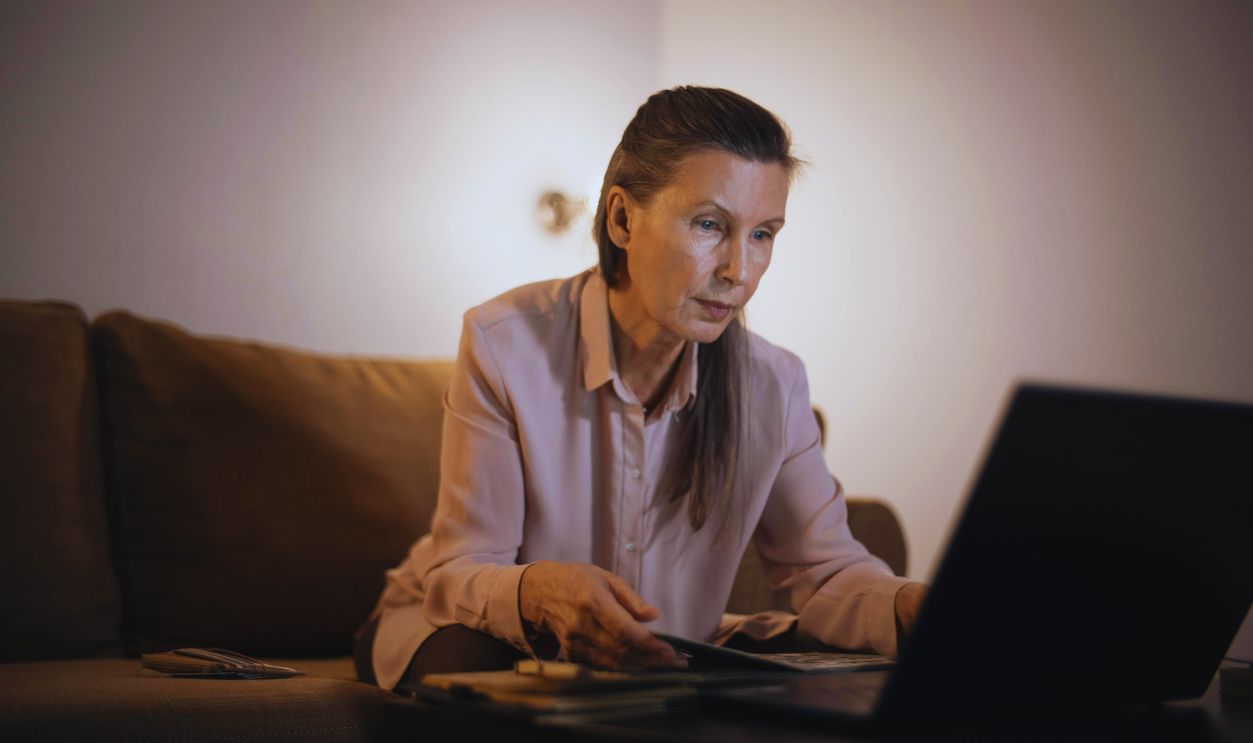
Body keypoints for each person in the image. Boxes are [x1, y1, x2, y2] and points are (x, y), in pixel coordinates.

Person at [354, 86, 928, 691]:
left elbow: (828, 572)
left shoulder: (773, 384)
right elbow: (460, 570)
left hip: (657, 656)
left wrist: (918, 606)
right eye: (710, 224)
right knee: (495, 666)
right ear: (623, 219)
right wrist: (539, 589)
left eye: (763, 234)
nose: (739, 270)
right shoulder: (504, 343)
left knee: (841, 664)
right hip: (457, 633)